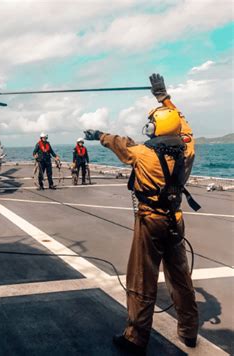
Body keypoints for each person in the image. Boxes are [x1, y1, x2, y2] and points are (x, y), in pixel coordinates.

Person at [84, 74, 199, 355]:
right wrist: (164, 97)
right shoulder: (188, 150)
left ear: (153, 128)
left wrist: (98, 135)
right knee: (180, 278)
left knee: (141, 279)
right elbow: (184, 126)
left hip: (150, 222)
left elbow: (120, 143)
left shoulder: (142, 154)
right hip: (175, 220)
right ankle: (189, 331)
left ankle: (135, 338)